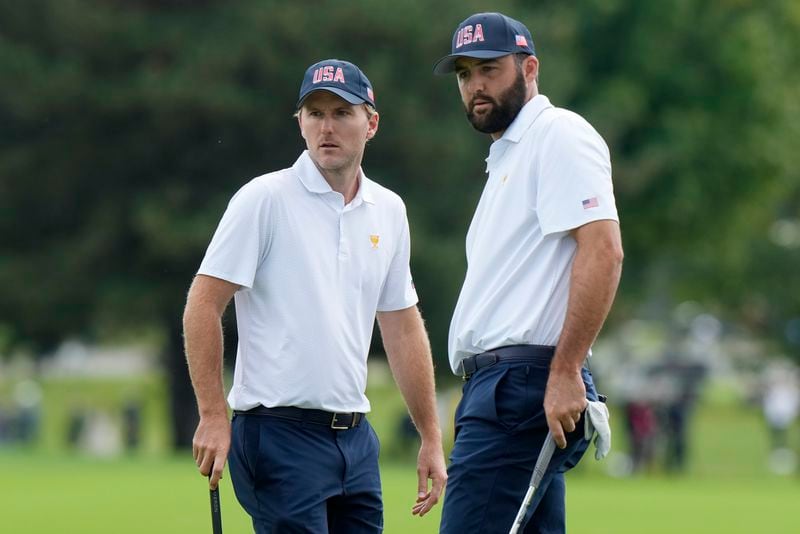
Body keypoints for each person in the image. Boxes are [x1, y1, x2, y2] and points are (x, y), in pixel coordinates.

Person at [183, 58, 447, 533]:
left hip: (356, 440)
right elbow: (204, 303)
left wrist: (429, 434)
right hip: (276, 434)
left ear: (371, 123)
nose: (327, 127)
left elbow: (403, 326)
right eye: (315, 113)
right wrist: (211, 414)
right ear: (300, 122)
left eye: (342, 113)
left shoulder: (389, 210)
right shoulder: (264, 199)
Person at [433, 13, 623, 533]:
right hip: (503, 390)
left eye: (489, 69)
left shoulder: (559, 134)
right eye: (465, 74)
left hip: (522, 386)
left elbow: (604, 251)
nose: (475, 86)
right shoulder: (506, 157)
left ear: (530, 67)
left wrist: (564, 372)